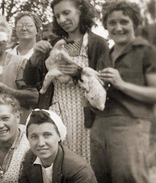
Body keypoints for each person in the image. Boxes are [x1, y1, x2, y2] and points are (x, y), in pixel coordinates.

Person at [23, 0, 110, 163]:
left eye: (66, 13)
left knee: (86, 163)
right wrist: (35, 57)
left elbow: (104, 84)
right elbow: (30, 80)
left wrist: (79, 72)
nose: (62, 19)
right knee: (60, 162)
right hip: (57, 113)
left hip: (87, 118)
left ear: (81, 11)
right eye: (57, 16)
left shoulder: (97, 43)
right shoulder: (54, 44)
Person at [90, 1, 156, 182]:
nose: (118, 27)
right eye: (112, 22)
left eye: (124, 21)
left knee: (129, 178)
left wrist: (121, 84)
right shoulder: (106, 56)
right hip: (99, 126)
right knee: (101, 178)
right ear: (106, 25)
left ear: (134, 22)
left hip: (130, 126)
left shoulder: (146, 52)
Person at [19, 109, 97, 183]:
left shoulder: (77, 169)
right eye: (34, 136)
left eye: (47, 135)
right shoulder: (29, 158)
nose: (41, 143)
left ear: (59, 136)